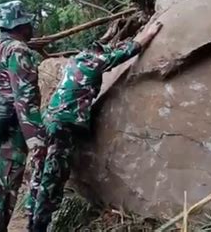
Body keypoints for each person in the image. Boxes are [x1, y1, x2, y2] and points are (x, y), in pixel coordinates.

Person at [30, 21, 163, 231]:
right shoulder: (94, 60)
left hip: (49, 120)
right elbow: (129, 51)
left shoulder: (76, 61)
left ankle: (31, 217)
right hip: (63, 125)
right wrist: (149, 33)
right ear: (98, 52)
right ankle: (39, 226)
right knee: (54, 175)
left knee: (40, 170)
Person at [0, 0, 46, 232]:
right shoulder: (18, 50)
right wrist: (36, 140)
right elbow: (24, 97)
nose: (31, 28)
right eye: (28, 23)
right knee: (2, 192)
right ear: (21, 25)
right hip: (9, 130)